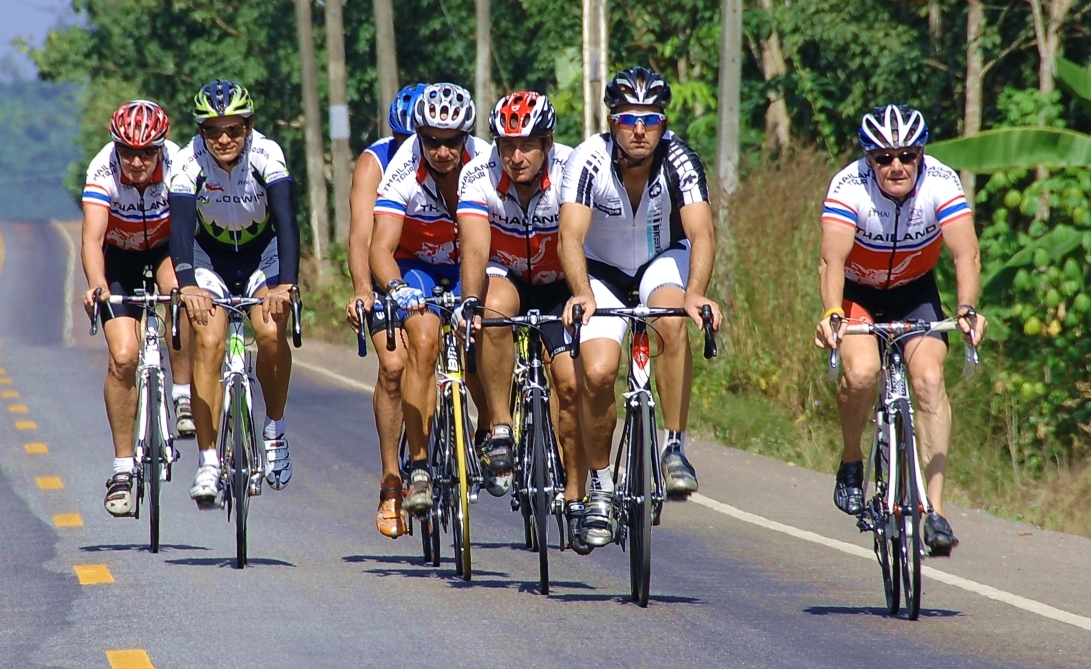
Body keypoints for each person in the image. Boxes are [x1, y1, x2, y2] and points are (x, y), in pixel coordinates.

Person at [559, 67, 723, 551]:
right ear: (612, 121)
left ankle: (673, 447)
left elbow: (701, 234)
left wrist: (695, 292)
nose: (639, 129)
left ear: (663, 121)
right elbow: (569, 236)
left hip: (661, 261)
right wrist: (580, 293)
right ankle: (601, 487)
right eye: (629, 118)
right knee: (597, 371)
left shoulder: (679, 158)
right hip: (601, 272)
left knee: (672, 320)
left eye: (650, 119)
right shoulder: (588, 160)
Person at [814, 104, 988, 555]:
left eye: (907, 156)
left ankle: (936, 511)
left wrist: (967, 309)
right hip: (858, 297)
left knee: (930, 381)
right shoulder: (848, 186)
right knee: (861, 373)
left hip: (916, 293)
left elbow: (965, 254)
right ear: (868, 160)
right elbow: (831, 260)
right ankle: (853, 459)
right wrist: (833, 311)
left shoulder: (942, 182)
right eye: (883, 157)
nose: (896, 166)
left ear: (921, 155)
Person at [455, 91, 588, 546]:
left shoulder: (573, 170)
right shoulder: (478, 174)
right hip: (507, 273)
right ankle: (500, 428)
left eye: (527, 145)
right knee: (492, 311)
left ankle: (575, 494)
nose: (515, 156)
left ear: (548, 143)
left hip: (559, 285)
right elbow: (474, 246)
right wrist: (470, 303)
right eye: (506, 145)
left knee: (569, 385)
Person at [168, 80, 300, 507]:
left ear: (249, 127)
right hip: (210, 255)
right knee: (207, 336)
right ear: (201, 132)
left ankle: (274, 429)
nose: (224, 139)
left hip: (263, 252)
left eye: (234, 129)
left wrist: (286, 284)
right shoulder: (188, 161)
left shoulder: (268, 154)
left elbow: (287, 222)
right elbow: (181, 232)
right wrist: (187, 284)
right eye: (213, 130)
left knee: (269, 330)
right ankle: (208, 460)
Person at [369, 82, 491, 527]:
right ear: (419, 136)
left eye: (453, 141)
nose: (442, 151)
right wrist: (397, 288)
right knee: (423, 336)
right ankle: (418, 466)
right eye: (433, 141)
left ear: (467, 136)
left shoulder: (486, 163)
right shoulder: (402, 168)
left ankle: (490, 428)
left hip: (469, 264)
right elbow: (380, 246)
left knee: (487, 327)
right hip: (417, 265)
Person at [82, 100, 195, 516]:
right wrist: (96, 285)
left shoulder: (182, 164)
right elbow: (92, 238)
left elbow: (191, 229)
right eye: (127, 150)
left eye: (147, 152)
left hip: (165, 250)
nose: (136, 161)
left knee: (183, 298)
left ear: (162, 148)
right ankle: (123, 470)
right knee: (124, 358)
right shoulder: (102, 170)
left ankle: (183, 396)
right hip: (119, 259)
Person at [344, 82, 427, 538]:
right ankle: (392, 479)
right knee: (394, 365)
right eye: (403, 141)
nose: (412, 151)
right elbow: (360, 235)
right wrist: (362, 288)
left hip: (440, 267)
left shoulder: (457, 154)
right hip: (388, 267)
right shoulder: (375, 162)